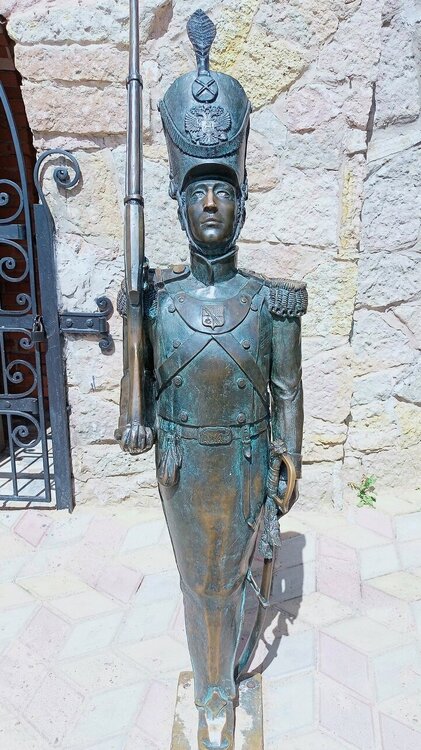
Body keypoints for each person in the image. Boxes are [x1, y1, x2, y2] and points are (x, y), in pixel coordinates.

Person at [117, 10, 307, 749]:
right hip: (183, 464)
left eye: (221, 191)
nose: (209, 204)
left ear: (241, 201)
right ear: (177, 203)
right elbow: (136, 402)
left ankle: (219, 683)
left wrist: (289, 459)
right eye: (196, 192)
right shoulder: (158, 299)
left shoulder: (269, 301)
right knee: (200, 581)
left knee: (228, 579)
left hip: (248, 458)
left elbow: (286, 390)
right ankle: (213, 686)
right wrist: (133, 341)